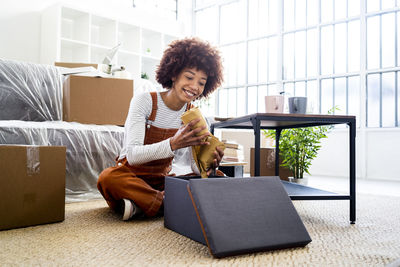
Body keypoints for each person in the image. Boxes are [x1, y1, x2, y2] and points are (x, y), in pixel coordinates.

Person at [97, 37, 225, 220]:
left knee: (217, 178)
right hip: (131, 175)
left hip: (162, 181)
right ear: (174, 74)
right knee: (108, 178)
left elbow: (196, 170)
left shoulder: (194, 115)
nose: (194, 87)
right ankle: (168, 203)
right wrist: (173, 144)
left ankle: (142, 205)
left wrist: (211, 164)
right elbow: (132, 155)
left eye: (201, 83)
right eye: (189, 77)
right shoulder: (144, 101)